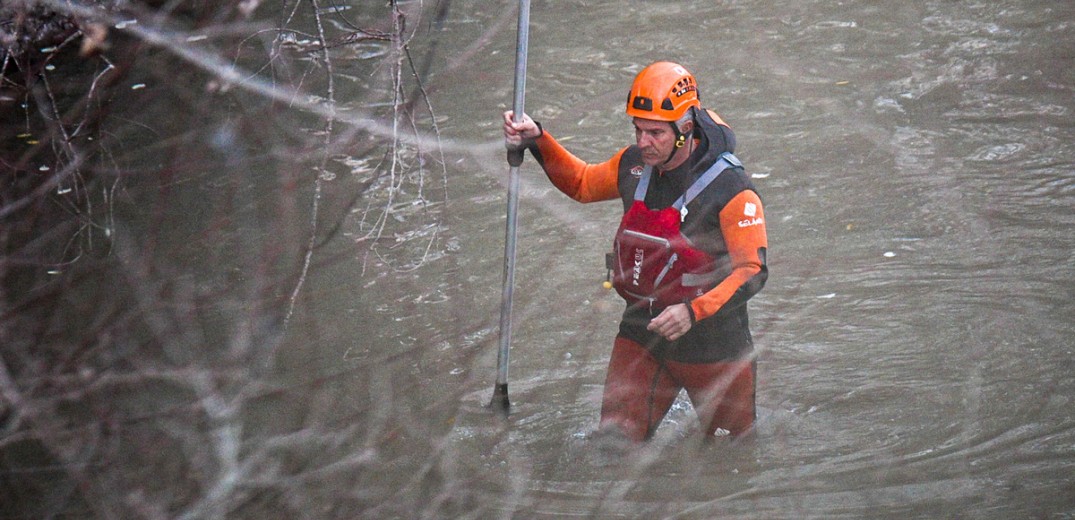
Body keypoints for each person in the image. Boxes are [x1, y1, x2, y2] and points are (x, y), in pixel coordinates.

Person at [502, 61, 768, 442]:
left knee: (730, 453)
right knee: (612, 445)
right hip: (643, 329)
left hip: (716, 345)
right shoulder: (633, 166)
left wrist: (693, 312)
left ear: (686, 128)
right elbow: (581, 183)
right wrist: (536, 139)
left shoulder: (732, 189)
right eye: (638, 130)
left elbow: (753, 270)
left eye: (655, 133)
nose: (643, 142)